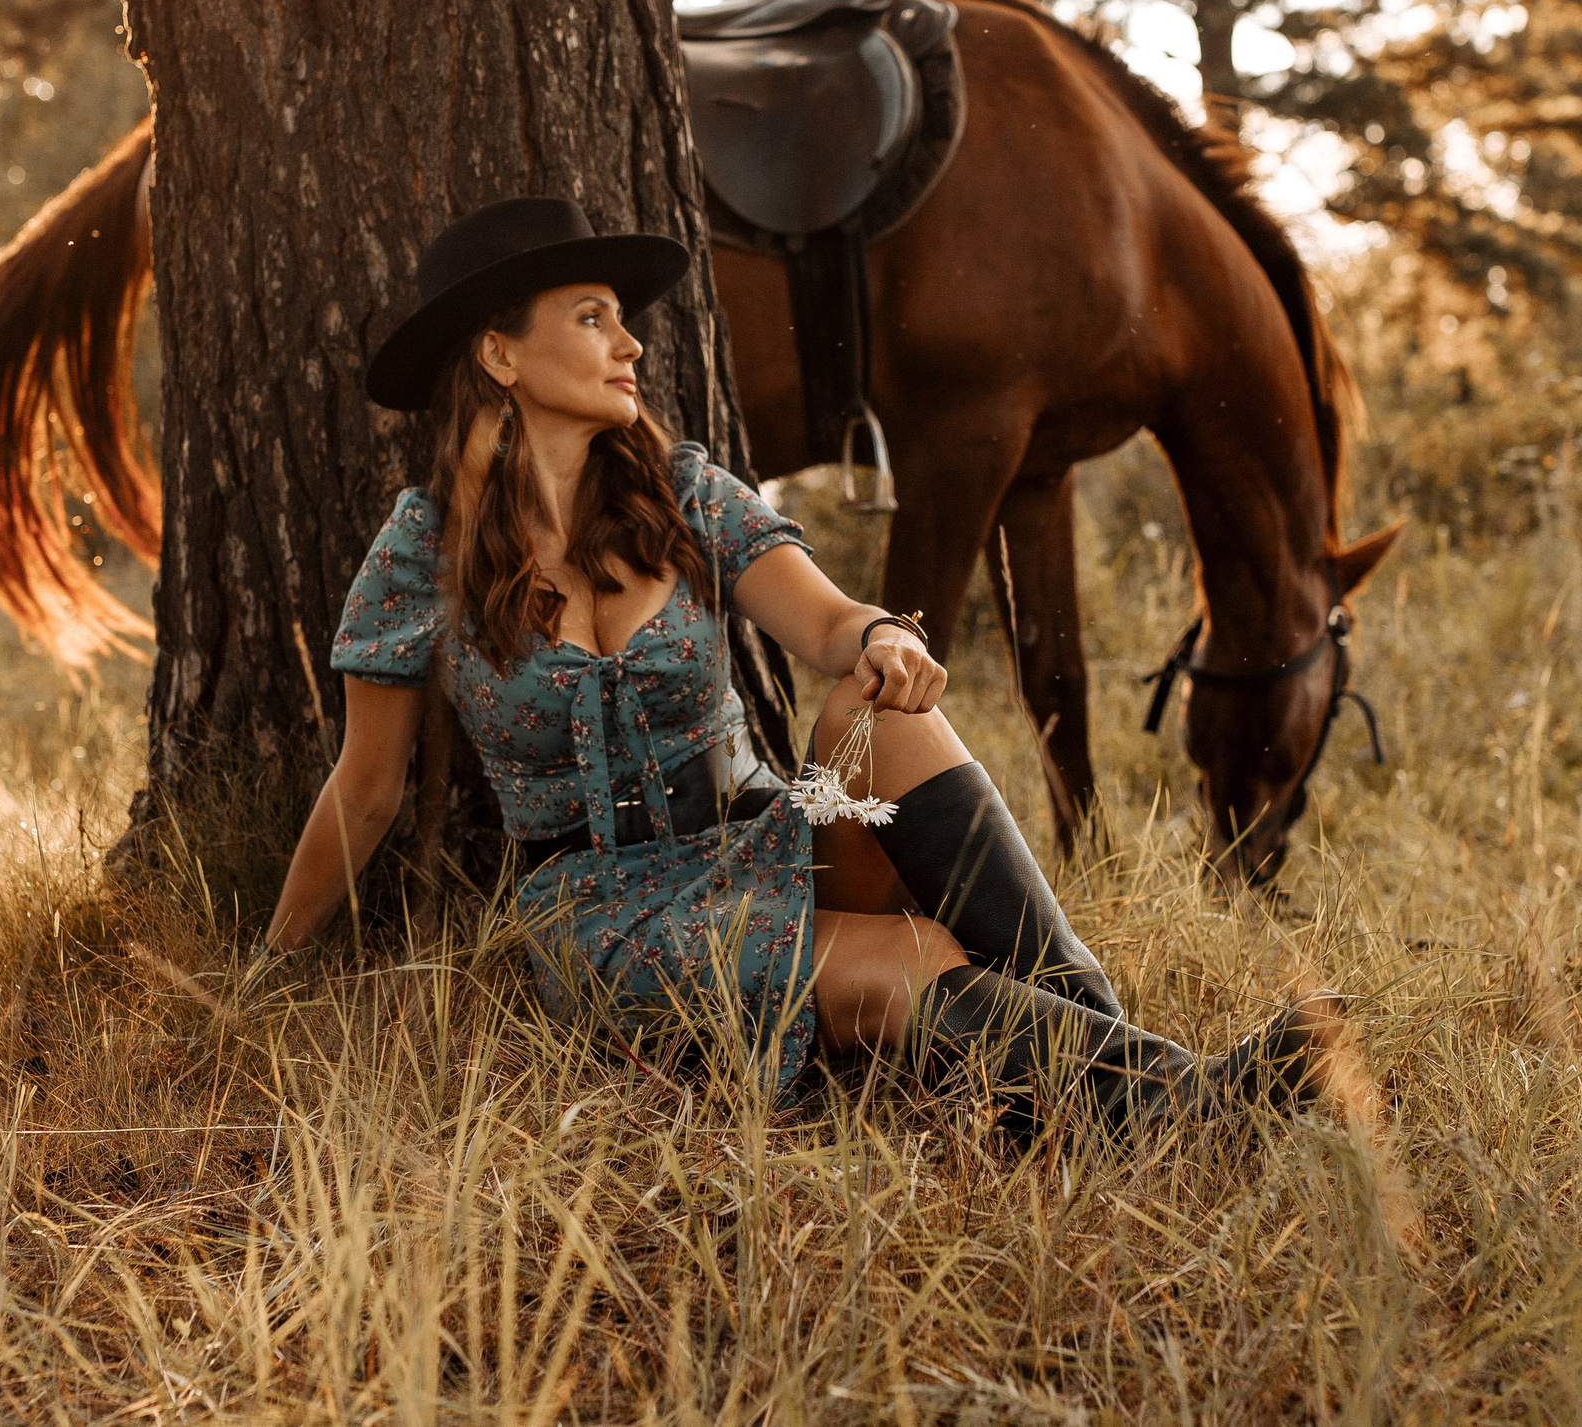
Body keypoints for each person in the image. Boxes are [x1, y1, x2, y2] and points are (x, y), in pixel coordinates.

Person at [258, 195, 1343, 1137]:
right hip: (609, 914)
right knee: (909, 957)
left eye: (623, 320)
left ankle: (1135, 1074)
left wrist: (882, 640)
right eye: (591, 320)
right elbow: (366, 790)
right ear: (499, 355)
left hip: (764, 836)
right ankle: (1170, 1098)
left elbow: (826, 626)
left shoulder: (679, 493)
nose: (630, 345)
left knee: (873, 714)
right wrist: (267, 973)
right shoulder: (420, 551)